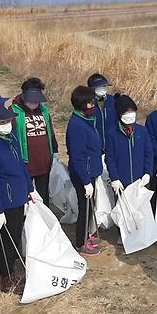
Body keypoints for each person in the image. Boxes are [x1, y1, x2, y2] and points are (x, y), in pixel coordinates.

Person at [0, 100, 36, 294]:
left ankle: (13, 268)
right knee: (6, 240)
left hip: (20, 196)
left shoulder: (12, 139)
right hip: (6, 200)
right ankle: (6, 277)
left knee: (16, 235)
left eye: (8, 121)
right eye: (2, 123)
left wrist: (30, 189)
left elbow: (22, 166)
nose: (7, 125)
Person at [66, 85, 104, 255]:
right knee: (85, 207)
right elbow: (78, 157)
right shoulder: (77, 126)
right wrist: (86, 181)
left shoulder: (87, 120)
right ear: (81, 105)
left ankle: (87, 235)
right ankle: (81, 243)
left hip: (90, 171)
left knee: (90, 205)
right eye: (90, 103)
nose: (93, 105)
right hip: (83, 174)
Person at [10, 77, 58, 206]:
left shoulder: (44, 111)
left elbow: (50, 132)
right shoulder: (14, 112)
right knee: (26, 196)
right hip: (26, 163)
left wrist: (55, 150)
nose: (35, 103)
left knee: (43, 195)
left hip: (43, 162)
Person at [106, 94, 153, 194]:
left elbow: (148, 153)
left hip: (141, 181)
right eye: (127, 112)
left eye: (132, 111)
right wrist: (114, 178)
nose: (130, 114)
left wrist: (148, 173)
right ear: (120, 114)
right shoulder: (112, 134)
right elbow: (110, 158)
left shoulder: (142, 131)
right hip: (122, 182)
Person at [86, 73, 113, 152]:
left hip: (110, 147)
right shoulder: (87, 103)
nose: (103, 89)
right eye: (99, 86)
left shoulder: (112, 101)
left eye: (104, 86)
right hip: (94, 148)